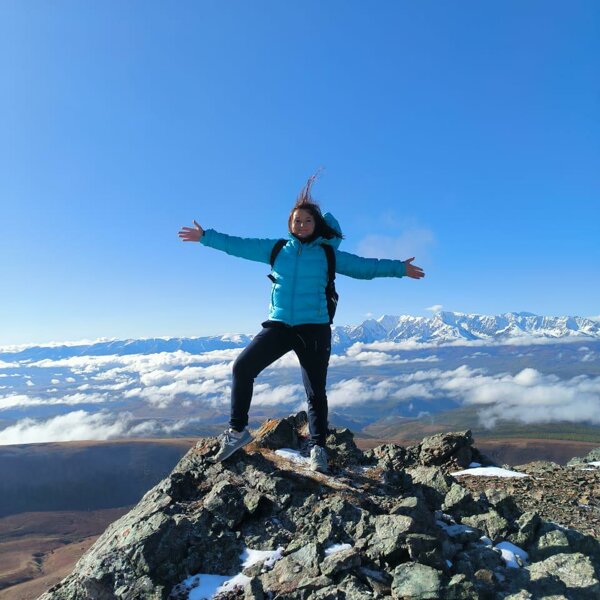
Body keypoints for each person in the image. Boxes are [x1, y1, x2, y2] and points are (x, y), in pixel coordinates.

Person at [178, 174, 425, 473]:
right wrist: (206, 237)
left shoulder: (327, 254)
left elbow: (364, 267)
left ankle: (318, 446)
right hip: (279, 326)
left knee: (315, 390)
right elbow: (238, 245)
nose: (302, 225)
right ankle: (237, 432)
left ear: (316, 225)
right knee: (242, 368)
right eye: (297, 221)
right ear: (289, 224)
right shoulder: (277, 249)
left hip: (314, 328)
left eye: (307, 221)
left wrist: (399, 268)